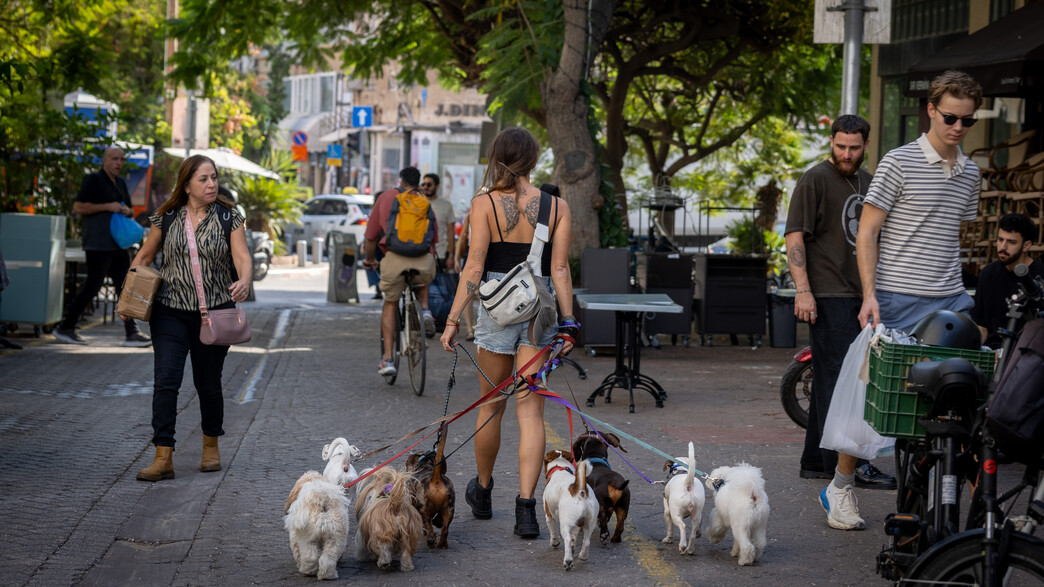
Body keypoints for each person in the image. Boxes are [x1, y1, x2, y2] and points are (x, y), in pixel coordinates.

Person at [438, 127, 576, 539]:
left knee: (490, 404)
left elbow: (475, 267)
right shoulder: (557, 206)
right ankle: (527, 509)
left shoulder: (483, 204)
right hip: (540, 310)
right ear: (533, 160)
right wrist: (569, 325)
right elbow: (561, 271)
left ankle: (482, 493)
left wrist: (451, 322)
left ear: (497, 157)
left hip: (497, 308)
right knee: (531, 412)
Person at [785, 115, 896, 533]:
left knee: (836, 381)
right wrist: (803, 290)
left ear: (866, 144)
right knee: (845, 383)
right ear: (831, 142)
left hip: (860, 292)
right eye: (840, 146)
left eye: (854, 147)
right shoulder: (815, 179)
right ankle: (853, 468)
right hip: (829, 292)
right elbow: (795, 237)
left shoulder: (869, 181)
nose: (846, 154)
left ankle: (817, 462)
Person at [125, 155, 252, 482]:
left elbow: (242, 257)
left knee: (207, 384)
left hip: (215, 314)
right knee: (166, 381)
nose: (212, 184)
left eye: (214, 178)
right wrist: (130, 292)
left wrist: (245, 280)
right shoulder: (166, 217)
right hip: (170, 312)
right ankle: (163, 455)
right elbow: (146, 255)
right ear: (186, 185)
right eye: (204, 179)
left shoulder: (229, 218)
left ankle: (211, 445)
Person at [858, 70, 983, 334]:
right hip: (898, 297)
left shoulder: (971, 173)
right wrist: (869, 295)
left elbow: (948, 232)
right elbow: (867, 232)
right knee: (897, 375)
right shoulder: (898, 162)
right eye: (950, 118)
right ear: (931, 110)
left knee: (960, 373)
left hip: (953, 297)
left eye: (967, 120)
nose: (958, 127)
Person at [53, 147, 152, 347]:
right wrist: (107, 206)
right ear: (104, 160)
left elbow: (130, 209)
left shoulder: (121, 183)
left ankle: (131, 333)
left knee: (125, 286)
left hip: (118, 244)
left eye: (121, 159)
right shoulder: (94, 180)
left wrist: (126, 210)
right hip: (98, 243)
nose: (118, 163)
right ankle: (65, 327)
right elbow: (78, 207)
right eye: (114, 159)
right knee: (93, 286)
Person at [362, 167, 438, 376]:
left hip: (394, 258)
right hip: (423, 260)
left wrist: (369, 260)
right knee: (421, 279)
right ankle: (424, 310)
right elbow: (433, 239)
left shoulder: (387, 197)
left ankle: (387, 359)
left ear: (400, 181)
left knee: (391, 302)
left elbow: (371, 237)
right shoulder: (423, 201)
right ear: (419, 183)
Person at [971, 213, 1044, 348]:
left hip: (1026, 354)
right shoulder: (988, 274)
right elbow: (981, 325)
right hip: (991, 353)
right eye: (1000, 240)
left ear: (1026, 246)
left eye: (1011, 242)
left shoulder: (1040, 276)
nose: (1003, 247)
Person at [421, 173, 456, 272]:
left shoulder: (446, 205)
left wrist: (451, 256)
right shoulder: (417, 203)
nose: (425, 187)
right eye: (423, 184)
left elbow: (451, 232)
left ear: (437, 186)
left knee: (437, 286)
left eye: (429, 185)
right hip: (419, 253)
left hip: (439, 254)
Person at [455, 210, 475, 341]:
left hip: (471, 252)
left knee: (469, 292)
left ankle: (469, 329)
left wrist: (457, 257)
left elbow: (463, 236)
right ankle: (473, 327)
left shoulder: (472, 213)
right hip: (491, 252)